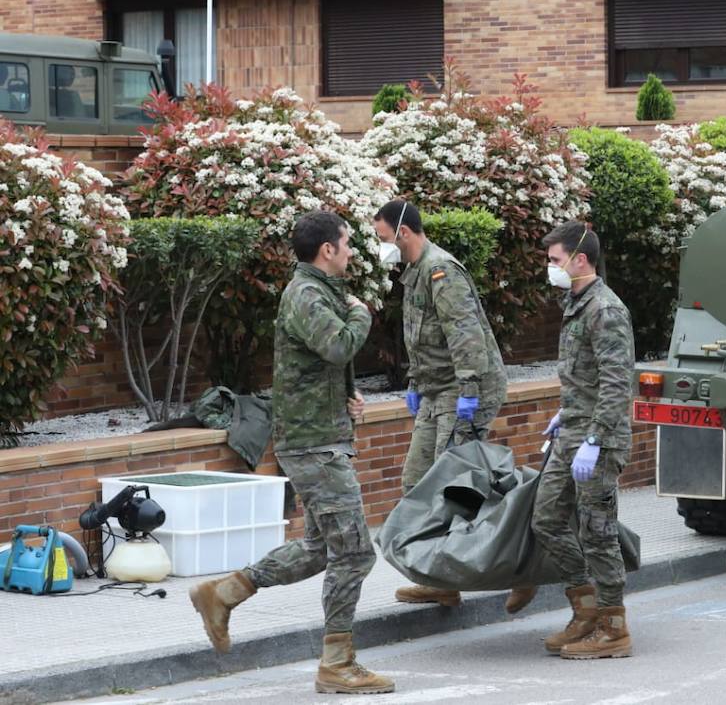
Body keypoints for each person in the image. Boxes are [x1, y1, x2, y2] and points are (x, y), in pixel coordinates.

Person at [188, 210, 393, 695]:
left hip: (321, 434)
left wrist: (344, 397)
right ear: (327, 249)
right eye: (346, 244)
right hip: (313, 443)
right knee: (356, 552)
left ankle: (223, 593)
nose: (351, 252)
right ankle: (337, 663)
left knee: (323, 549)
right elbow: (339, 344)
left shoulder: (319, 292)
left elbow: (318, 362)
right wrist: (363, 311)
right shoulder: (306, 294)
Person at [371, 199, 533, 613]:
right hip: (436, 390)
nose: (381, 246)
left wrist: (470, 392)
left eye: (383, 237)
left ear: (403, 233)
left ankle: (526, 563)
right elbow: (423, 337)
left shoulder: (442, 271)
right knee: (417, 482)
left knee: (460, 490)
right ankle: (439, 580)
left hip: (465, 391)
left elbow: (465, 338)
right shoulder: (414, 273)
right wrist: (414, 382)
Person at [531, 220, 636, 659]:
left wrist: (594, 437)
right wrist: (566, 412)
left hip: (599, 438)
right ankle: (585, 610)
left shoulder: (605, 310)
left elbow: (616, 382)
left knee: (597, 532)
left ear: (580, 259)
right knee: (547, 519)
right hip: (573, 430)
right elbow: (586, 374)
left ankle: (613, 628)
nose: (550, 267)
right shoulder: (575, 302)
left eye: (555, 260)